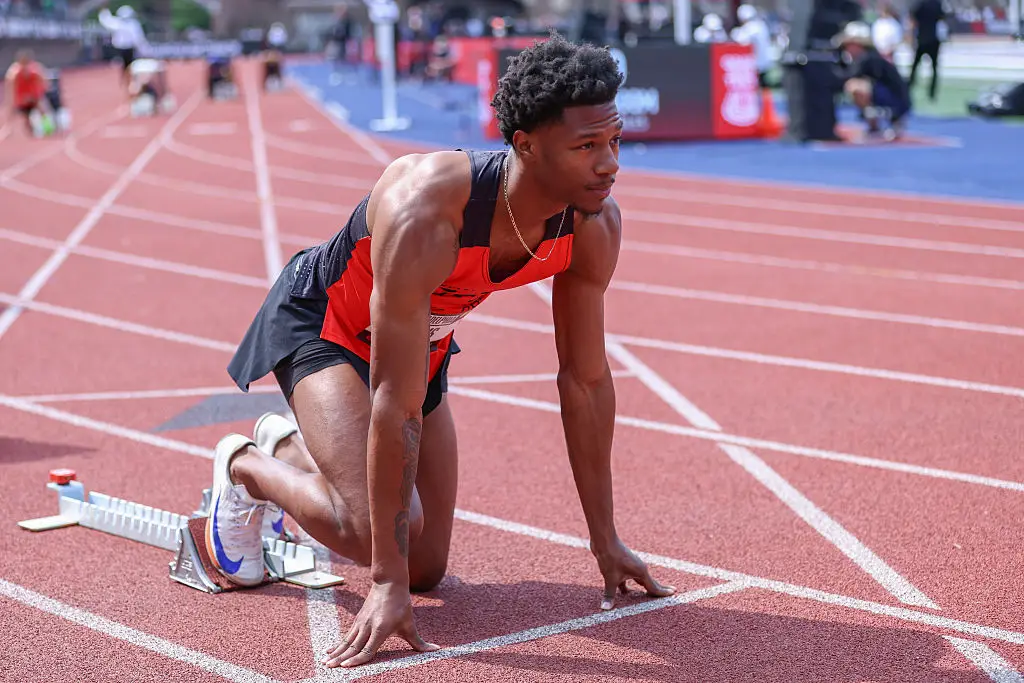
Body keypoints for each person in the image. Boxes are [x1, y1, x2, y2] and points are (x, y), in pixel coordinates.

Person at [214, 32, 676, 669]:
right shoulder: (427, 211)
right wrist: (384, 582)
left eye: (615, 141)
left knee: (425, 567)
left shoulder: (593, 224)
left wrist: (606, 540)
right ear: (526, 146)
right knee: (378, 536)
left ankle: (291, 444)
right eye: (586, 146)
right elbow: (392, 398)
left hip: (419, 344)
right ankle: (244, 468)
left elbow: (585, 382)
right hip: (327, 326)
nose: (609, 164)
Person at [835, 21, 912, 141]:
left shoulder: (867, 58)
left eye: (849, 44)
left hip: (895, 101)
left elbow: (846, 78)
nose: (846, 48)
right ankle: (874, 124)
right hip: (889, 97)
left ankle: (883, 120)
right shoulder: (866, 58)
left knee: (854, 86)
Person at [4, 49, 50, 137]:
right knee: (23, 116)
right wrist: (14, 101)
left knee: (42, 108)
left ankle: (47, 127)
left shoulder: (35, 69)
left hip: (33, 96)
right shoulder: (14, 72)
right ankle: (8, 128)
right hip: (21, 99)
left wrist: (38, 94)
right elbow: (10, 86)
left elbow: (44, 81)